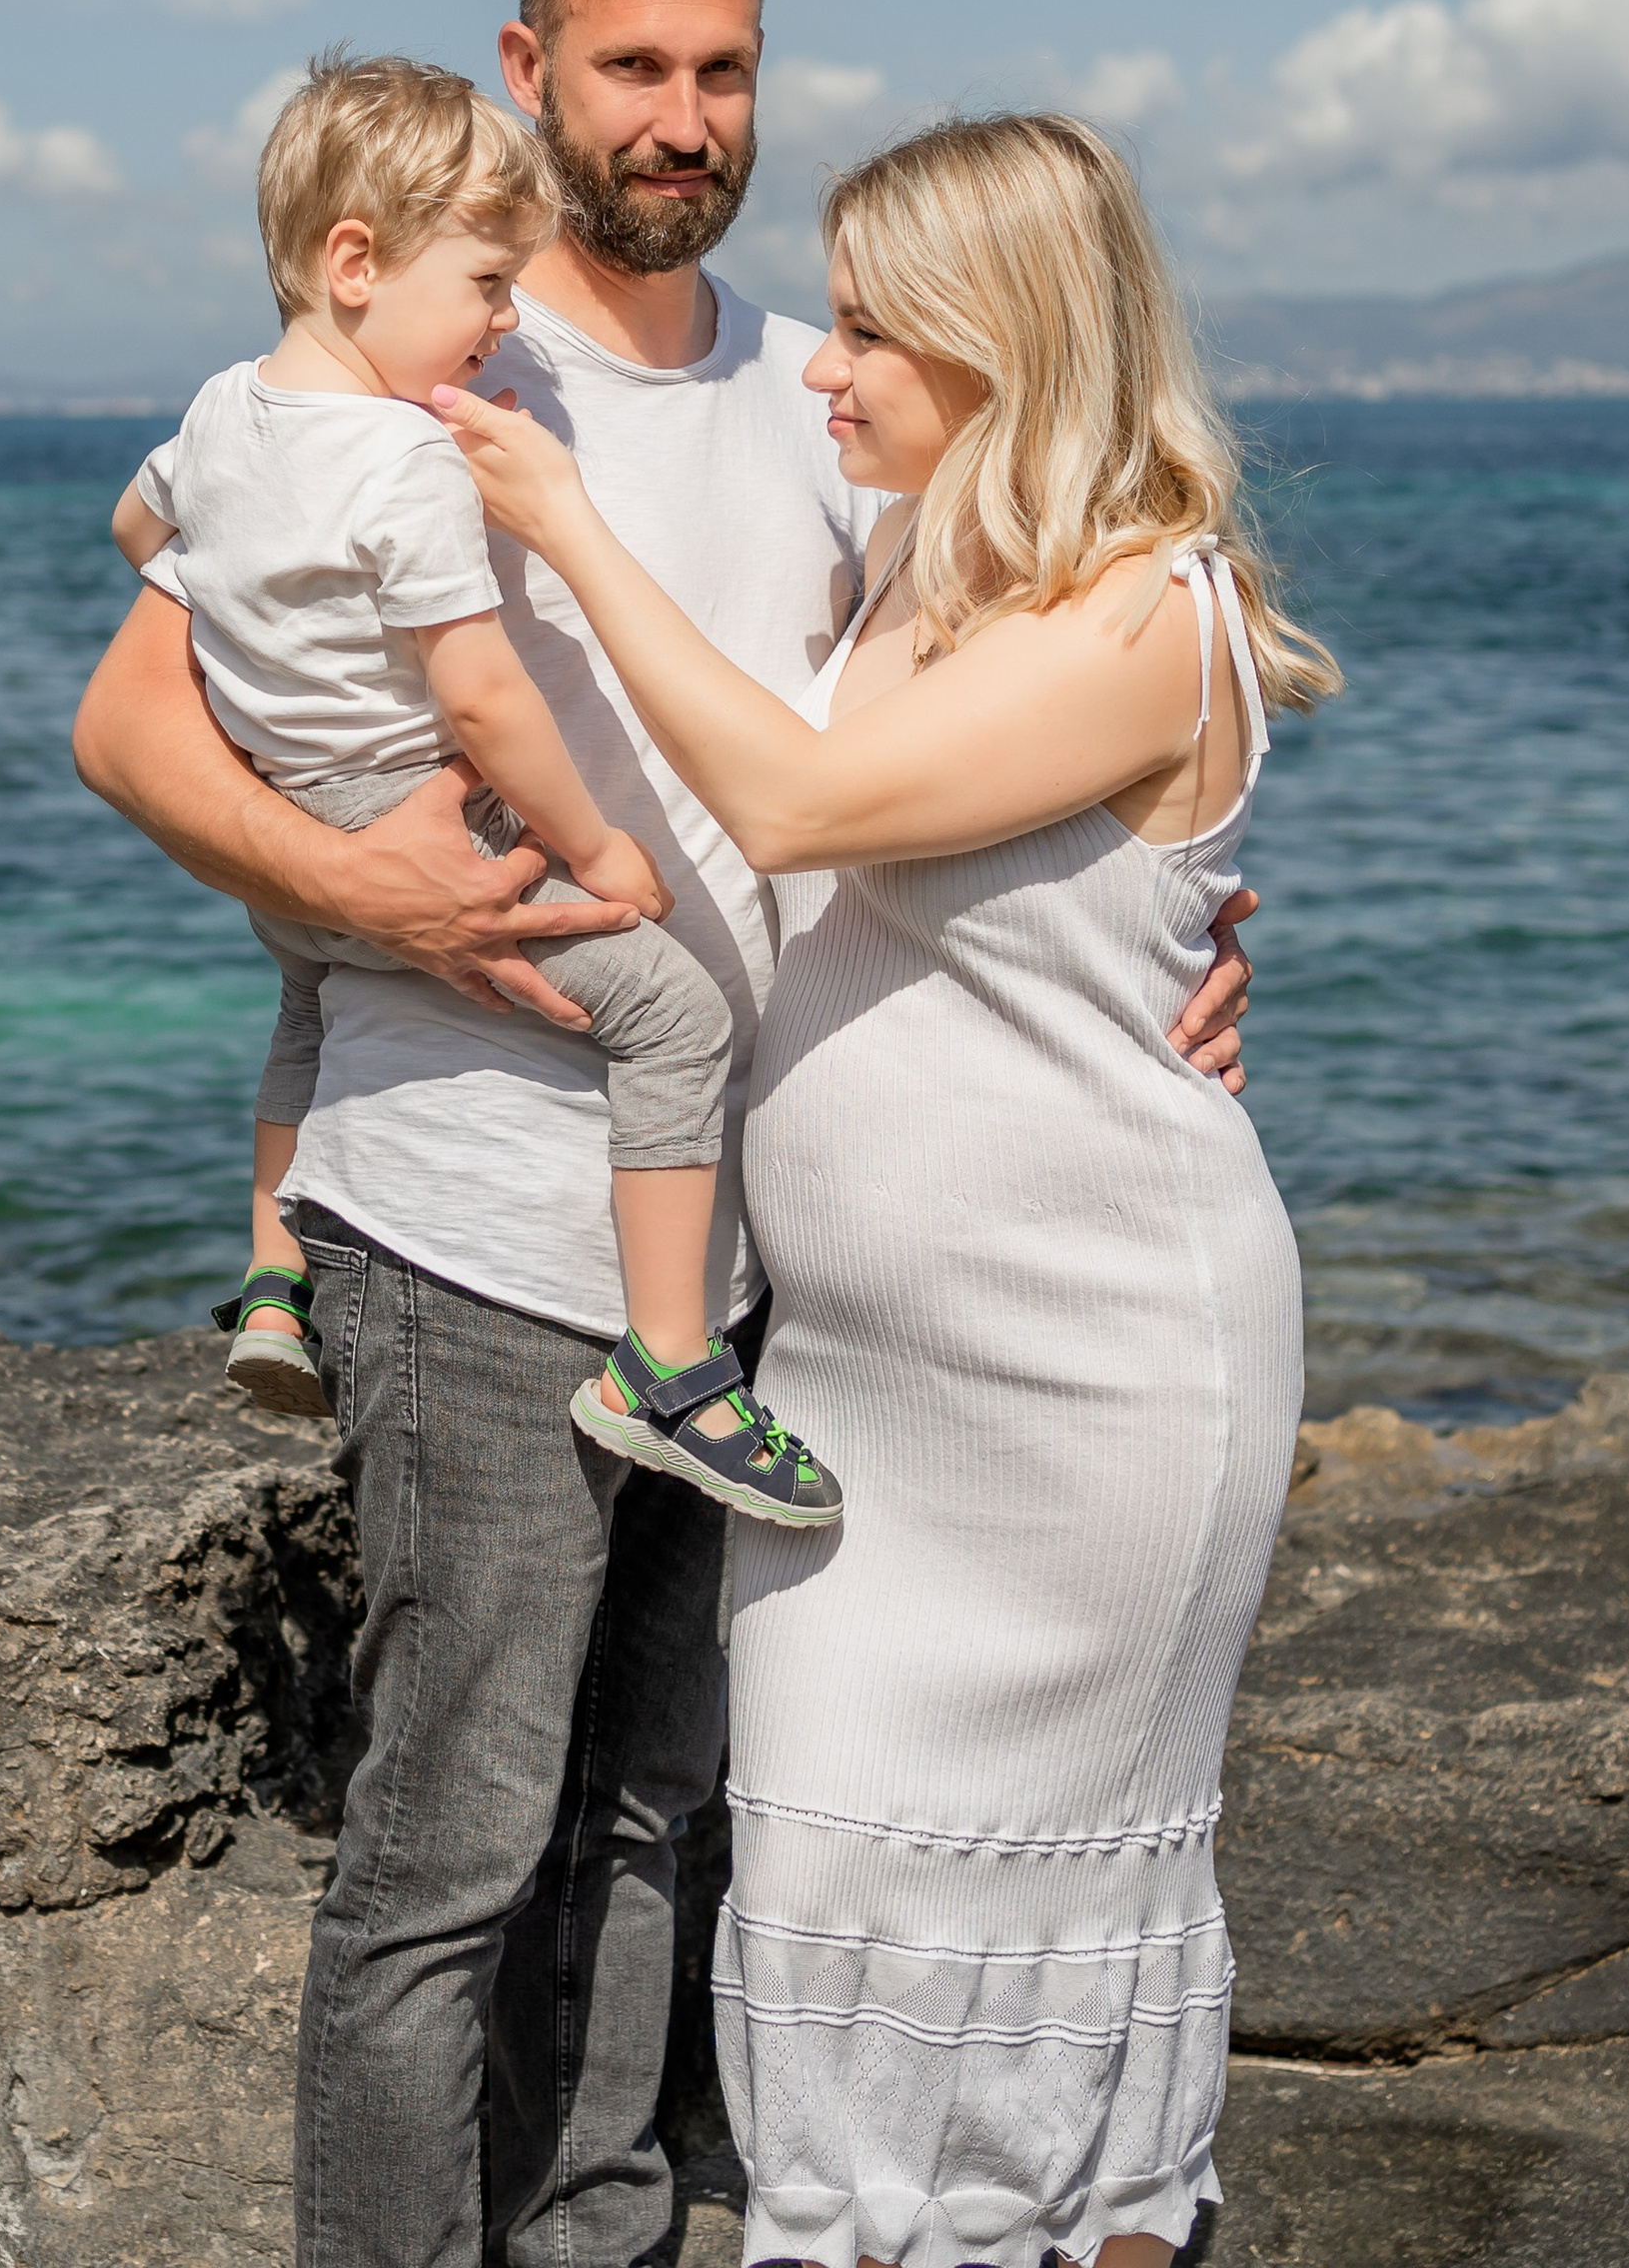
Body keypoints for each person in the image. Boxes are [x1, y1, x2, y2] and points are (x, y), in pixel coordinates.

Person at [71, 0, 1255, 2268]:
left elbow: (999, 725)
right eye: (630, 65)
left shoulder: (821, 394)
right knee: (449, 1849)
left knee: (647, 1822)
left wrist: (1181, 928)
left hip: (727, 1280)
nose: (681, 114)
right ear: (531, 68)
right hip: (478, 1213)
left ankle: (601, 2236)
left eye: (721, 68)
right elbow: (130, 721)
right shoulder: (430, 361)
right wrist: (351, 886)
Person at [433, 110, 1339, 2268]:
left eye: (864, 329)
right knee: (836, 1888)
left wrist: (562, 520)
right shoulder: (920, 557)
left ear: (1004, 340)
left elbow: (806, 796)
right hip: (857, 1383)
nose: (818, 370)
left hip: (1091, 1379)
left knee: (1054, 1910)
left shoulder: (1150, 603)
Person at [110, 44, 838, 1521]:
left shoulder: (218, 413)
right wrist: (603, 848)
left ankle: (269, 1277)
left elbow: (141, 529)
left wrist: (265, 652)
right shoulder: (406, 461)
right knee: (679, 1018)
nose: (503, 321)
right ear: (358, 262)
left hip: (296, 827)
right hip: (423, 835)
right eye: (485, 289)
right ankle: (671, 1365)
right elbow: (482, 691)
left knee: (304, 1007)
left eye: (727, 67)